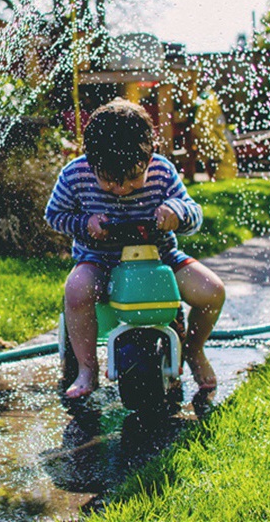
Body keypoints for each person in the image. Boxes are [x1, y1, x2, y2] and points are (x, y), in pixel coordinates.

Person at [45, 98, 225, 399]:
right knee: (76, 290)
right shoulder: (75, 175)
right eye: (110, 181)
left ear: (149, 156)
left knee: (212, 291)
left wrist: (176, 212)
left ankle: (194, 351)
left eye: (132, 179)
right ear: (91, 161)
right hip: (100, 260)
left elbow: (194, 214)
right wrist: (84, 223)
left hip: (160, 259)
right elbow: (55, 216)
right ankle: (87, 370)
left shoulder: (162, 172)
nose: (122, 188)